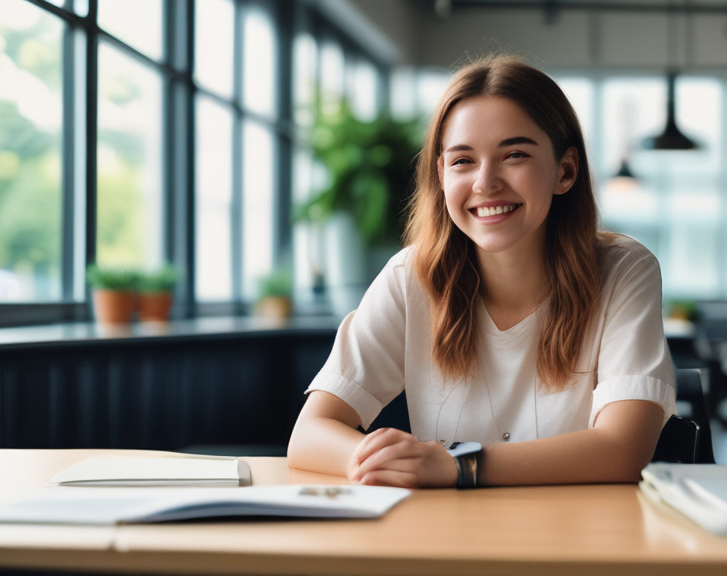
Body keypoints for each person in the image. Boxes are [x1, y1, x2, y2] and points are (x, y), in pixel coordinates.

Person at [287, 54, 675, 488]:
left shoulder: (623, 271)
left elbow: (623, 450)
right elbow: (308, 435)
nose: (485, 183)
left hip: (578, 541)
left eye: (514, 155)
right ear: (441, 174)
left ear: (565, 171)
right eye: (462, 160)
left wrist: (456, 466)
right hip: (449, 541)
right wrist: (382, 459)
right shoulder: (409, 277)